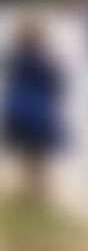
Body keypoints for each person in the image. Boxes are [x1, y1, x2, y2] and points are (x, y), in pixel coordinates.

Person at [1, 20, 64, 198]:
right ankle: (38, 189)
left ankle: (33, 189)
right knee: (38, 153)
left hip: (20, 108)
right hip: (38, 109)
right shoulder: (43, 61)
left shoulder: (14, 60)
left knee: (27, 153)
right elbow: (56, 84)